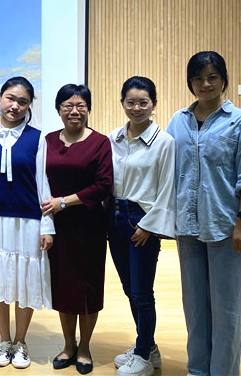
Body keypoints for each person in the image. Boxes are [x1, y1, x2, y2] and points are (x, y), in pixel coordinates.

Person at [166, 51, 241, 376]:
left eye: (212, 77)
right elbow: (168, 170)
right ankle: (197, 370)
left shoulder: (238, 120)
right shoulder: (178, 120)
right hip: (187, 227)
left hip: (225, 226)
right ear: (190, 82)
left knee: (226, 309)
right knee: (195, 307)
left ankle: (223, 371)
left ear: (223, 80)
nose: (205, 84)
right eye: (198, 78)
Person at [0, 76, 54, 369]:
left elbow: (43, 182)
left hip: (28, 220)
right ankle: (4, 341)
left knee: (24, 281)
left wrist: (47, 226)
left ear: (29, 105)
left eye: (22, 101)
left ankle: (21, 342)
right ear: (0, 97)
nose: (15, 106)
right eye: (10, 98)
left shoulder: (37, 138)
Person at [41, 84, 113, 375]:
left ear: (88, 109)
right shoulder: (47, 141)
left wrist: (63, 202)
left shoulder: (100, 142)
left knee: (88, 288)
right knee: (63, 287)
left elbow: (104, 185)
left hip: (89, 226)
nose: (74, 111)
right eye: (68, 106)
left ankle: (84, 347)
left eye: (81, 105)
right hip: (56, 227)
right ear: (58, 109)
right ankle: (68, 344)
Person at [108, 76, 176, 376]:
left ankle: (143, 357)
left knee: (142, 292)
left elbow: (168, 188)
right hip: (115, 216)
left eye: (143, 102)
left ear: (154, 104)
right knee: (128, 288)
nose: (136, 108)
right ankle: (148, 346)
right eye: (131, 102)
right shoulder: (113, 138)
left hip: (142, 220)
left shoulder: (164, 142)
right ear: (122, 103)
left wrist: (148, 226)